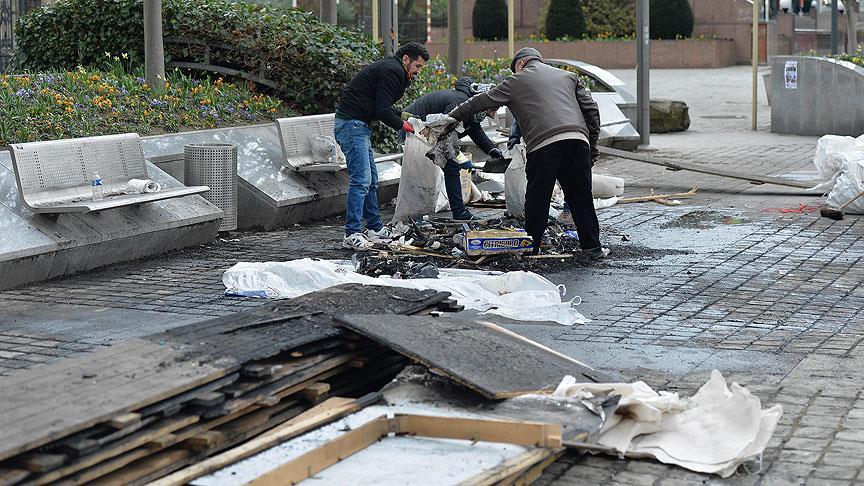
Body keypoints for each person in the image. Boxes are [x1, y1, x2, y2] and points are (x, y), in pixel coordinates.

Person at [449, 47, 607, 258]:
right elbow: (591, 110)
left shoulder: (517, 80)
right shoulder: (568, 76)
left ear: (521, 64)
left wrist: (451, 117)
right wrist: (592, 146)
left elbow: (481, 101)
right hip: (578, 140)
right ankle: (592, 248)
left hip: (544, 143)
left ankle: (532, 247)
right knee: (581, 197)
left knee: (538, 197)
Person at [334, 42, 429, 250]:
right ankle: (351, 233)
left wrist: (403, 116)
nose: (418, 72)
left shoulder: (392, 68)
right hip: (351, 126)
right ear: (406, 59)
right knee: (361, 181)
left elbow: (381, 105)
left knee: (371, 181)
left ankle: (375, 228)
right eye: (417, 66)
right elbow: (382, 111)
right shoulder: (392, 71)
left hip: (357, 126)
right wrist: (404, 125)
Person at [403, 78, 504, 220]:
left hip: (428, 131)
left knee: (448, 167)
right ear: (484, 103)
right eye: (492, 110)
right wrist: (460, 158)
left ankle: (426, 211)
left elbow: (474, 129)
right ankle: (458, 213)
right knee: (450, 167)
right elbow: (444, 134)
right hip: (412, 128)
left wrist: (492, 150)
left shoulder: (471, 106)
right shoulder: (459, 102)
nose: (492, 115)